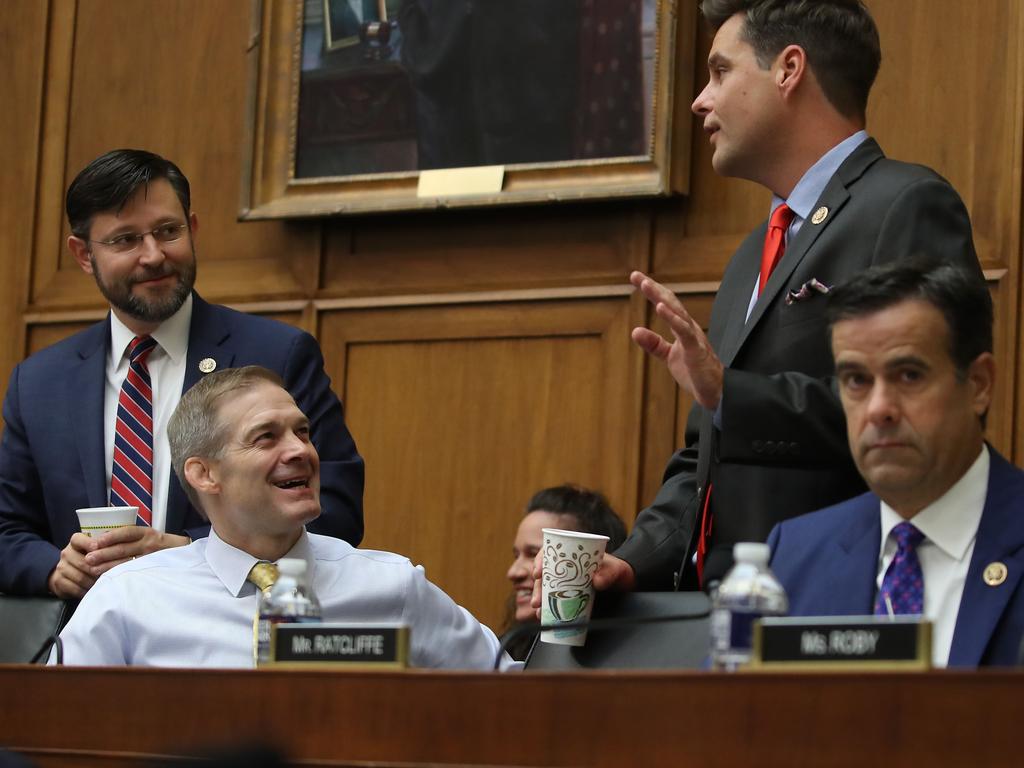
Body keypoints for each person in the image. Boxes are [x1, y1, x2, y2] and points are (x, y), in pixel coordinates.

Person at [561, 0, 984, 597]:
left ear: (789, 69)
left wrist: (732, 394)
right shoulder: (752, 254)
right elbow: (704, 458)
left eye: (719, 71)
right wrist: (634, 562)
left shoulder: (906, 203)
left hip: (839, 600)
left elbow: (922, 411)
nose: (698, 101)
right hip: (716, 617)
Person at [0, 149, 364, 599]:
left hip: (237, 628)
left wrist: (188, 552)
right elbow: (7, 528)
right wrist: (56, 569)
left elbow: (337, 512)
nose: (153, 256)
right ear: (83, 255)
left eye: (167, 231)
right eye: (125, 240)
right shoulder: (39, 383)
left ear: (191, 229)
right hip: (93, 643)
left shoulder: (277, 354)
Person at [55, 366, 507, 669]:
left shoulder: (393, 587)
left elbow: (513, 688)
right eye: (266, 437)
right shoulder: (130, 597)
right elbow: (47, 722)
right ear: (204, 473)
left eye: (302, 432)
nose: (300, 451)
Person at [768, 262, 1024, 668]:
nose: (879, 409)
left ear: (978, 385)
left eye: (908, 375)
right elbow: (732, 723)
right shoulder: (794, 556)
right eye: (856, 380)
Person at [504, 485, 627, 659]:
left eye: (534, 554)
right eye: (516, 555)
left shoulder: (622, 657)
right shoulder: (504, 653)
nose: (513, 572)